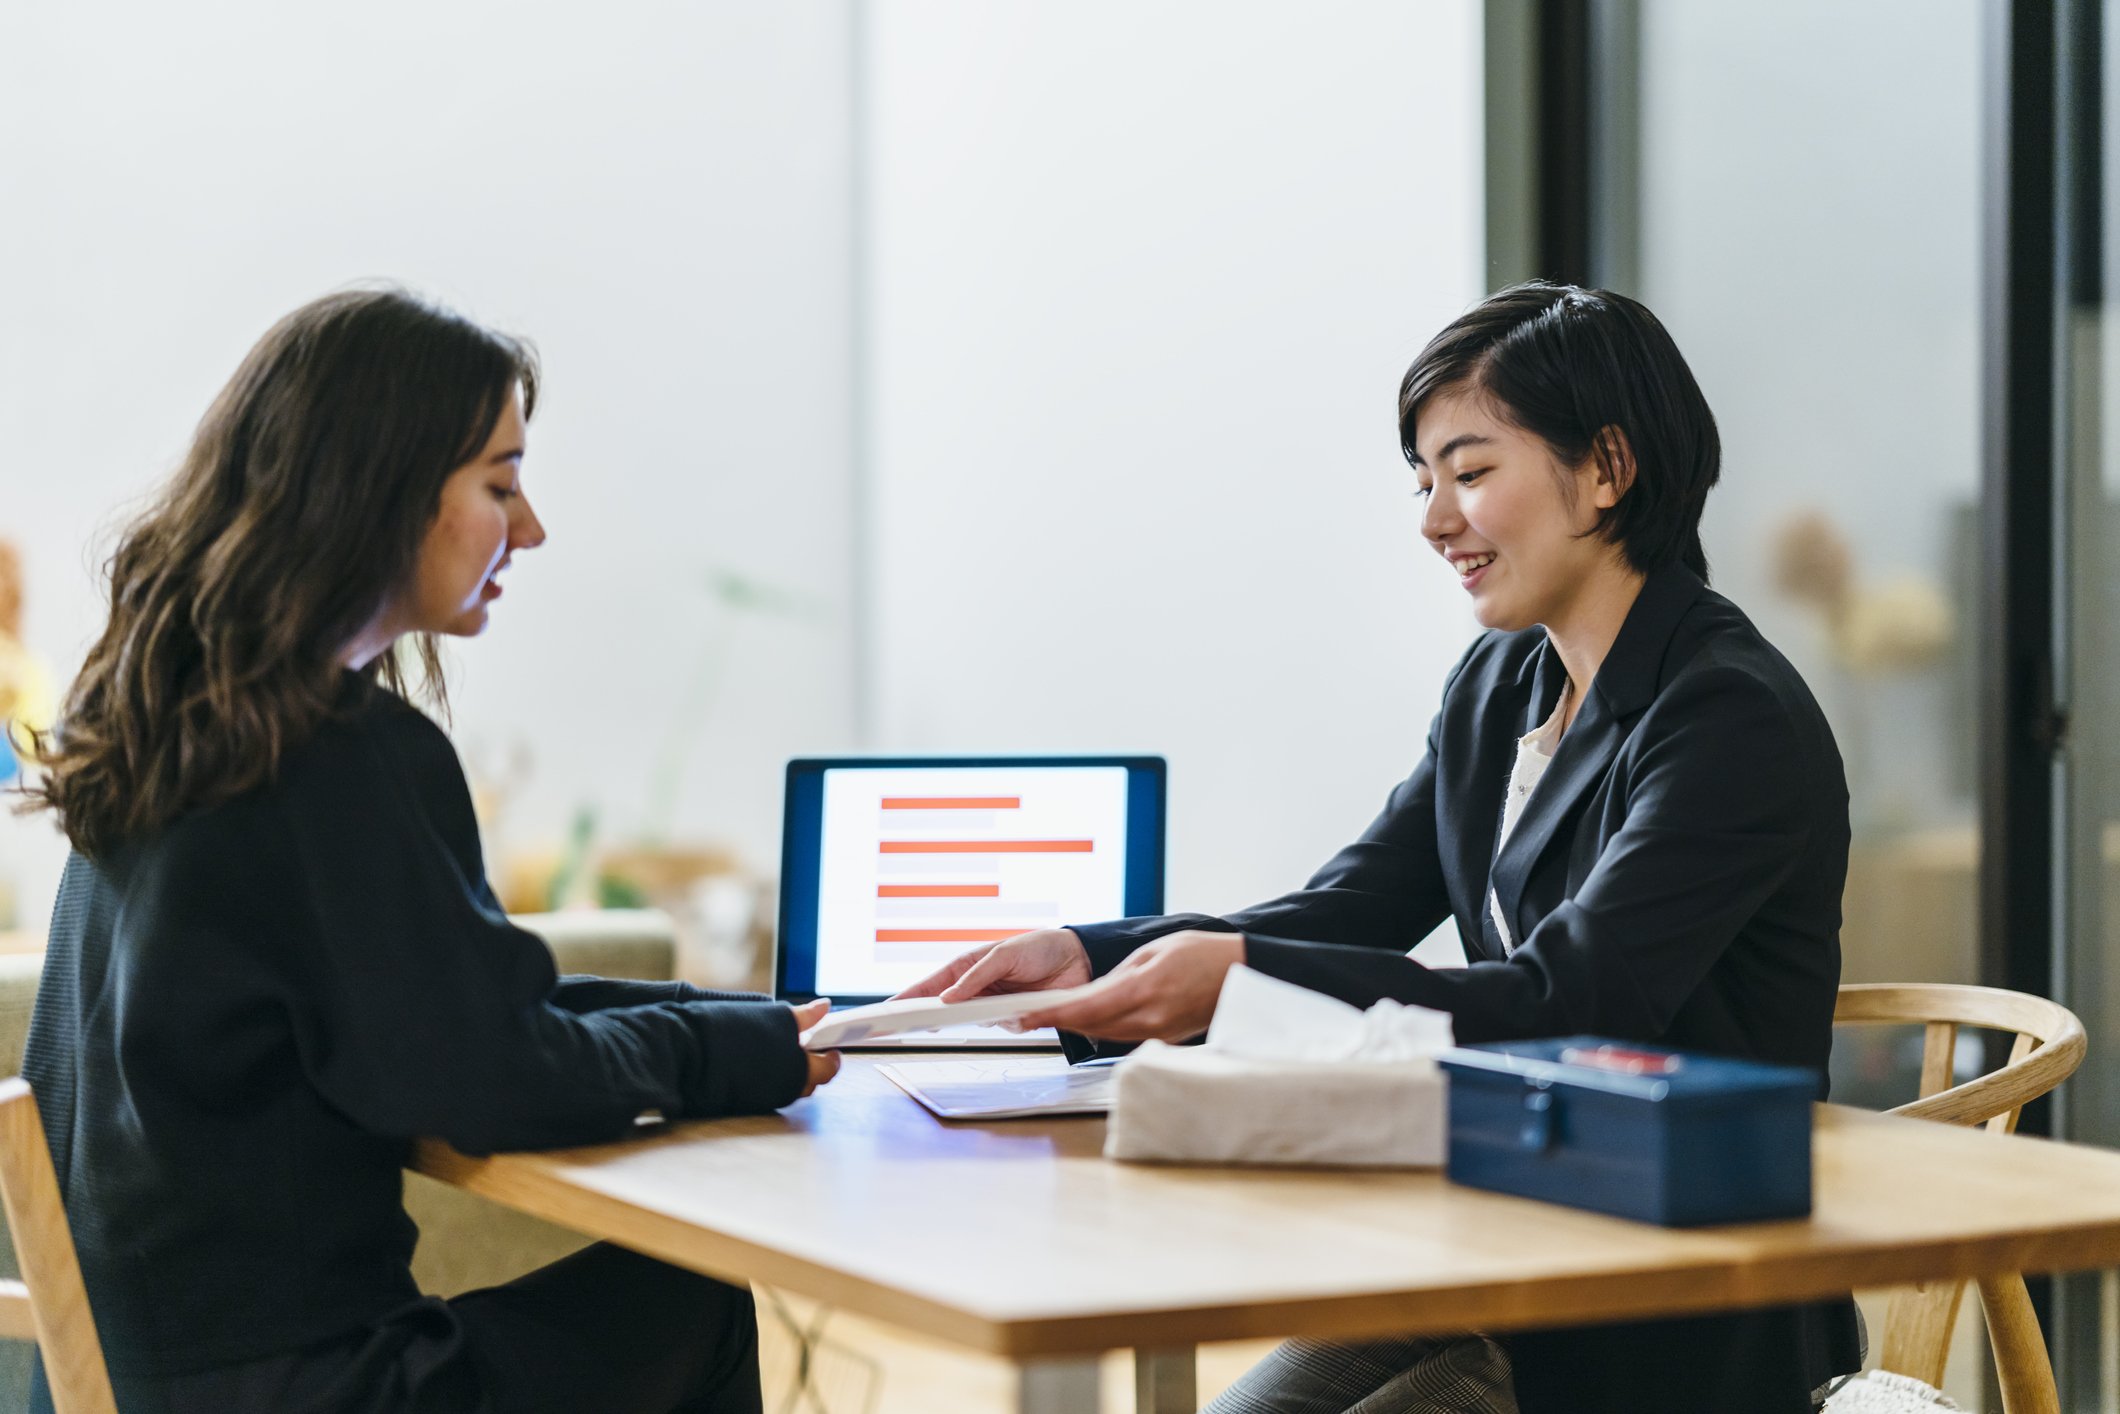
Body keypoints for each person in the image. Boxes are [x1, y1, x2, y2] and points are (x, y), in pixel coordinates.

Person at [900, 283, 1861, 1414]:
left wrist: (1241, 979)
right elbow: (1353, 902)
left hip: (1666, 1304)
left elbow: (1572, 996)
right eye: (1422, 482)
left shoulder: (1724, 714)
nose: (1432, 520)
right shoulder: (1501, 682)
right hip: (1496, 1249)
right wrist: (1092, 952)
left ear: (1605, 468)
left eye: (1468, 471)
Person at [19, 287, 839, 1414]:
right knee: (694, 1299)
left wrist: (730, 1024)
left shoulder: (177, 727)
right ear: (383, 495)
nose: (532, 527)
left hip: (146, 1385)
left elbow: (449, 1010)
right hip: (317, 1393)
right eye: (499, 483)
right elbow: (499, 1082)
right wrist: (728, 1054)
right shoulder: (336, 755)